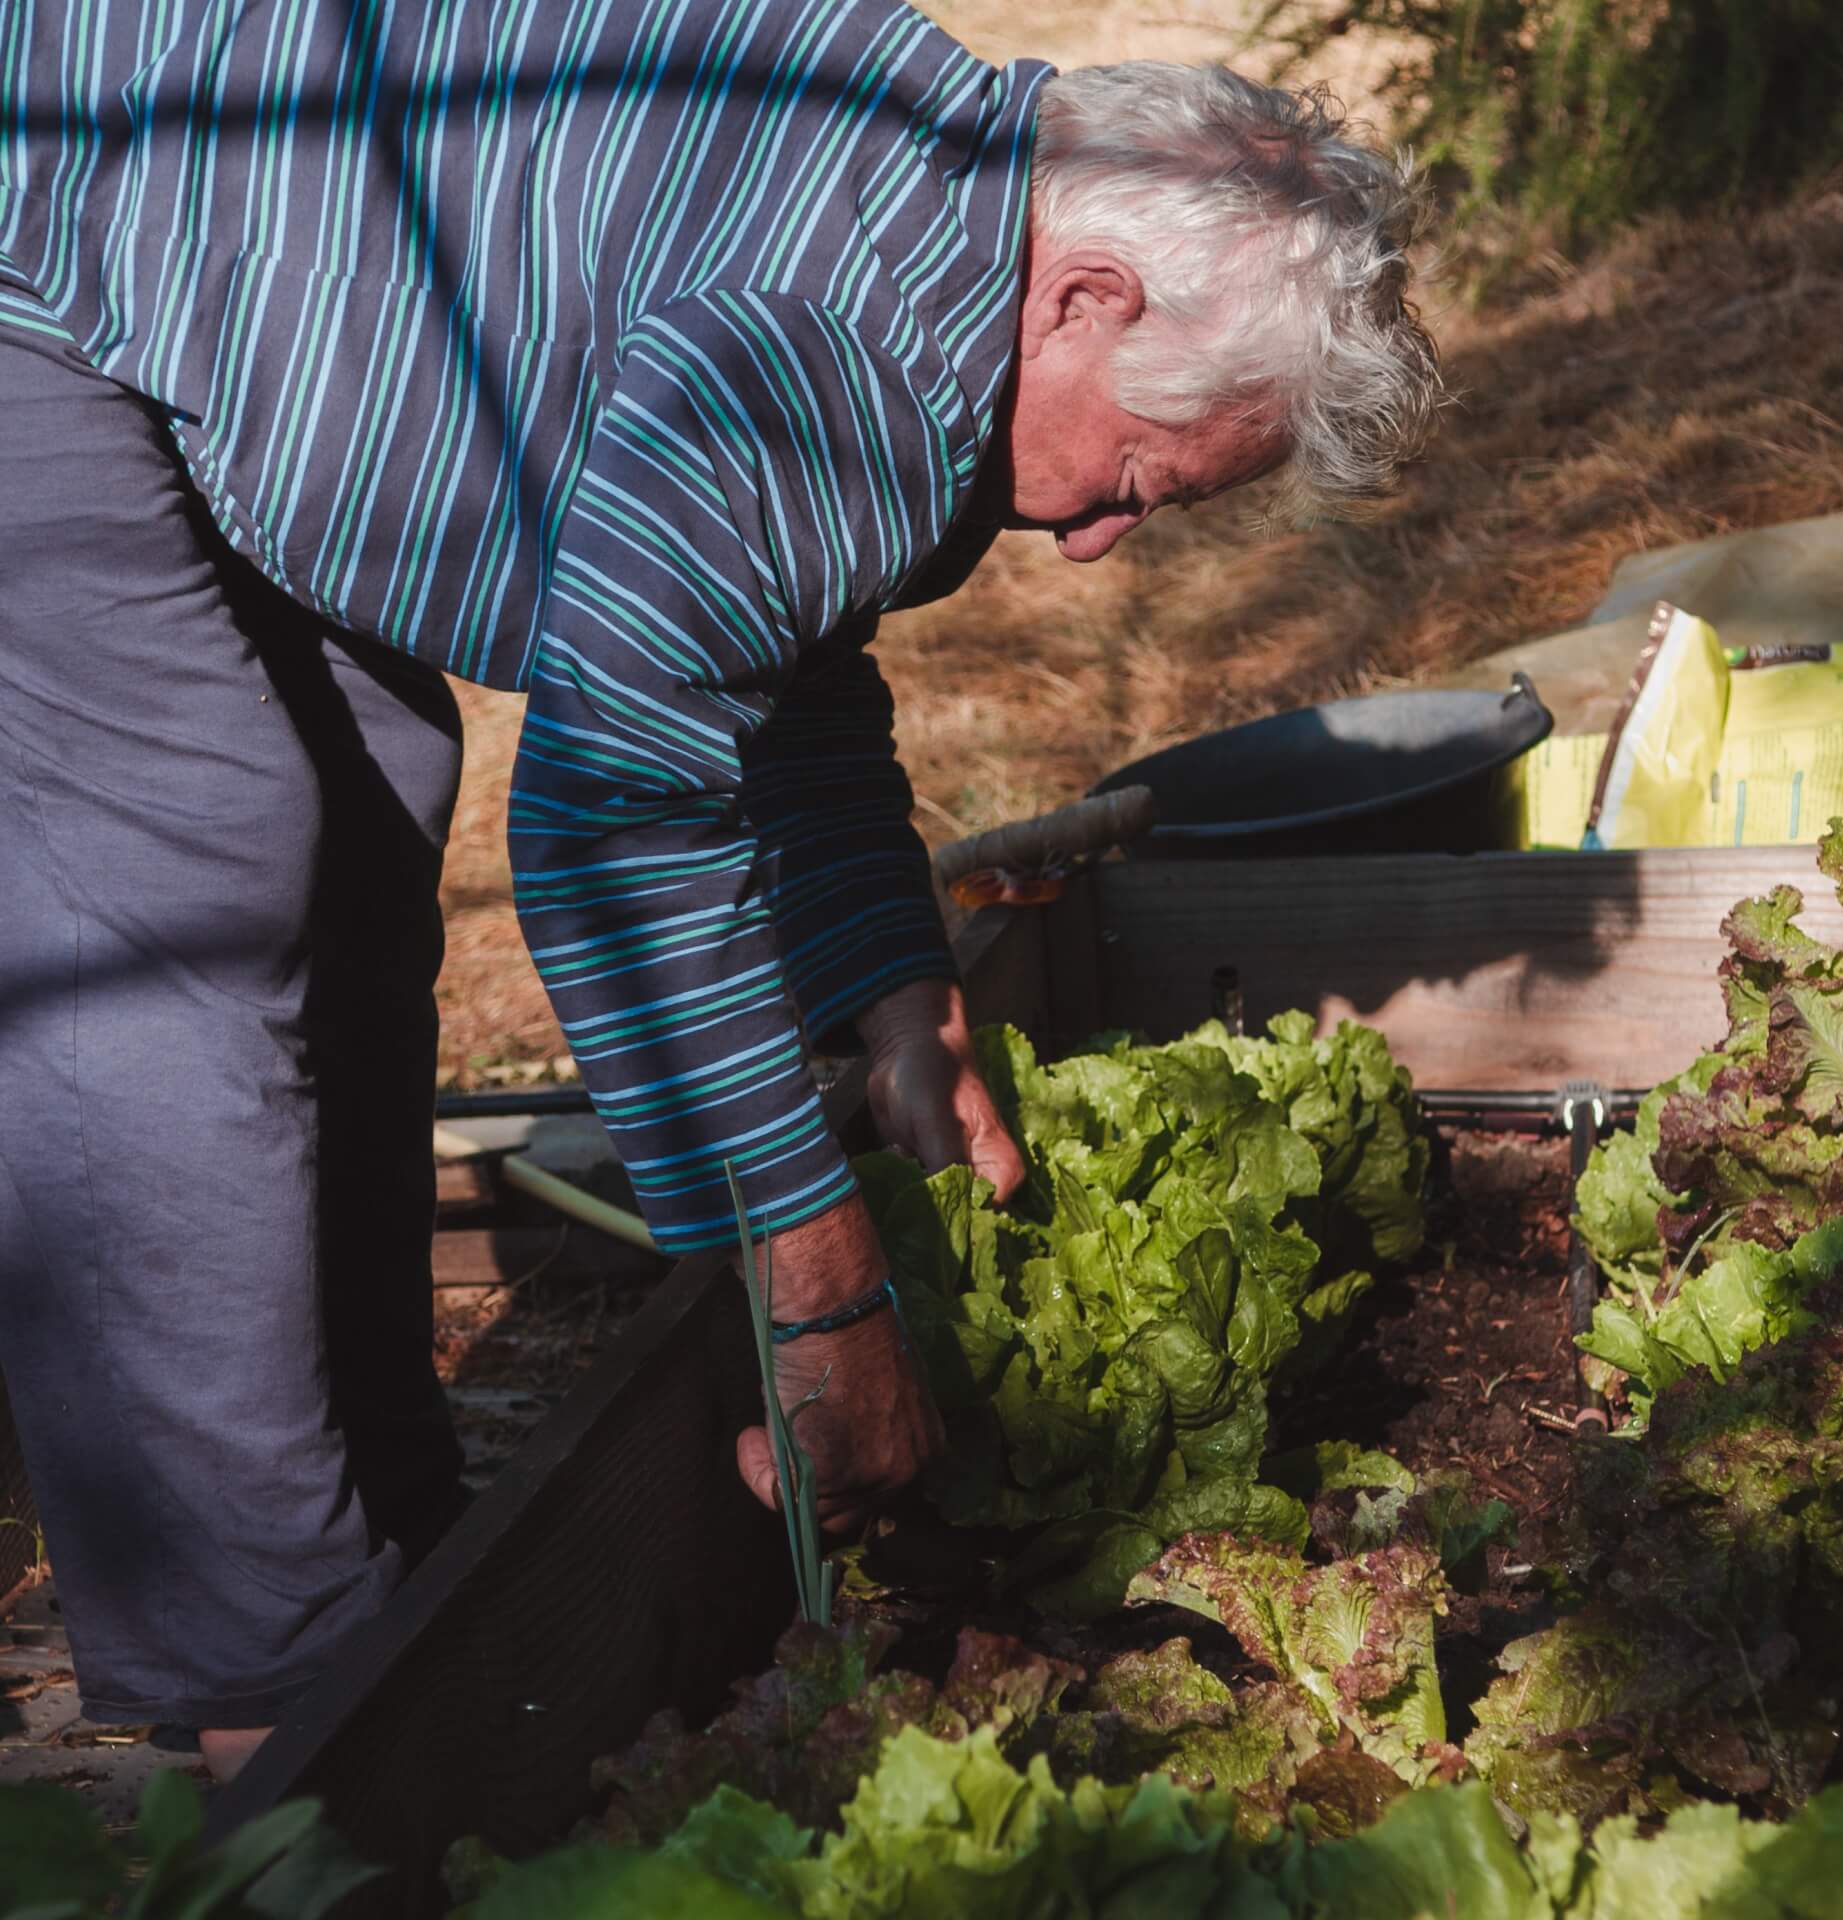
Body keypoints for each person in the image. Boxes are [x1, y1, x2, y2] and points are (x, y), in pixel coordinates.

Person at [0, 0, 1442, 1776]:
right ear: (1087, 302)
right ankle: (261, 1685)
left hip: (203, 196)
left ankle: (387, 1522)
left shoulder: (952, 216)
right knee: (190, 889)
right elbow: (614, 819)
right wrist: (814, 1287)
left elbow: (770, 642)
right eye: (1144, 474)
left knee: (376, 780)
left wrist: (903, 999)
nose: (1093, 540)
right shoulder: (848, 329)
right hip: (53, 221)